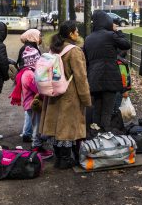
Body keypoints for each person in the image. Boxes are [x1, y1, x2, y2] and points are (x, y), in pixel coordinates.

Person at [40, 21, 92, 169]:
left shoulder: (54, 48)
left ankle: (60, 157)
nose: (78, 34)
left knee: (58, 127)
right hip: (70, 95)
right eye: (76, 31)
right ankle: (65, 159)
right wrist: (86, 98)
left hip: (54, 92)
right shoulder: (74, 51)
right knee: (68, 128)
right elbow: (81, 78)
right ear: (71, 34)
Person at [84, 10, 131, 135]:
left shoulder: (88, 38)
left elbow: (86, 59)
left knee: (97, 108)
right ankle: (106, 134)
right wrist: (117, 32)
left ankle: (95, 134)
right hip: (109, 76)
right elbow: (126, 44)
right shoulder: (110, 35)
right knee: (108, 108)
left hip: (93, 78)